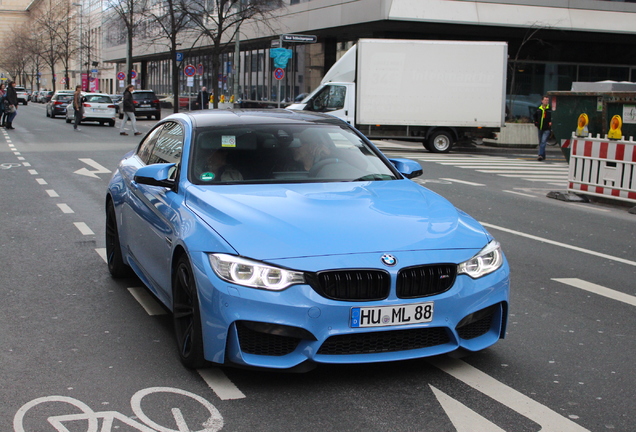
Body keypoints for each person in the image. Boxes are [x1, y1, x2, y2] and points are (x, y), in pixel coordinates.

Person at [533, 95, 552, 161]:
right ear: (542, 101)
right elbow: (535, 116)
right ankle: (543, 155)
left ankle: (540, 155)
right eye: (545, 100)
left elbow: (553, 117)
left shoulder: (550, 109)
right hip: (540, 128)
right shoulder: (539, 109)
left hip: (547, 128)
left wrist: (551, 122)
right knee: (541, 142)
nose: (546, 102)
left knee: (543, 141)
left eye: (547, 100)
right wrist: (535, 123)